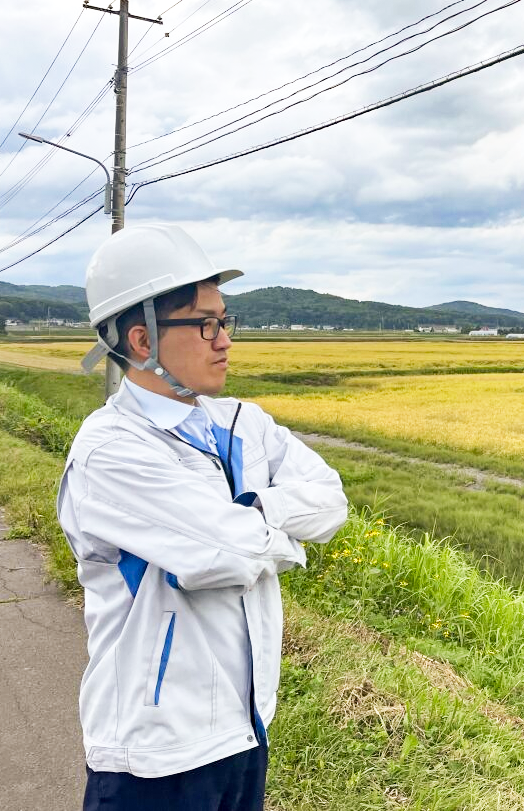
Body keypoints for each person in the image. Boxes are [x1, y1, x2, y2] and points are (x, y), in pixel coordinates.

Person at [56, 223, 348, 811]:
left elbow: (330, 502)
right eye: (206, 325)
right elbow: (231, 556)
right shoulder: (111, 451)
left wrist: (258, 509)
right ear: (143, 340)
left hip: (245, 727)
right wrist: (281, 542)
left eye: (225, 321)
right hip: (154, 755)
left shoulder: (243, 422)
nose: (225, 341)